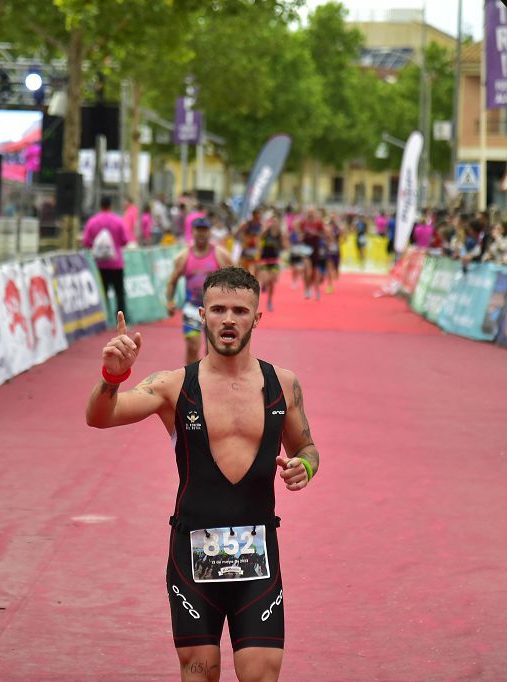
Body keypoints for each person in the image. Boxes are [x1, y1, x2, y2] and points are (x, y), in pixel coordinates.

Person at [85, 267, 320, 682]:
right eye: (218, 309)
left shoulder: (283, 384)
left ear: (257, 318)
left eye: (240, 310)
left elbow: (306, 448)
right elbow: (100, 418)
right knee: (200, 674)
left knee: (262, 674)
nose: (228, 319)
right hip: (192, 556)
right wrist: (112, 378)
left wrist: (305, 467)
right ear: (202, 315)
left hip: (257, 557)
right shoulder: (173, 386)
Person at [165, 217, 233, 364]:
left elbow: (236, 280)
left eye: (205, 230)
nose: (201, 234)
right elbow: (172, 281)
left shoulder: (221, 255)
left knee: (213, 349)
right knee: (192, 346)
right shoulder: (184, 256)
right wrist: (169, 301)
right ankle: (191, 380)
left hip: (216, 309)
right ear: (193, 232)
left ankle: (210, 381)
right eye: (199, 230)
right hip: (192, 308)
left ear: (210, 233)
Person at [83, 196, 130, 320]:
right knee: (119, 292)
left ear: (100, 206)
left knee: (102, 293)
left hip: (99, 264)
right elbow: (125, 240)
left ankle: (103, 318)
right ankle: (121, 319)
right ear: (111, 206)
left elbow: (86, 242)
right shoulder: (118, 221)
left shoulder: (92, 221)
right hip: (116, 264)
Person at [257, 215, 287, 312]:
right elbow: (259, 240)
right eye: (273, 222)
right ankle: (264, 284)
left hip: (274, 260)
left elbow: (285, 246)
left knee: (272, 282)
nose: (274, 224)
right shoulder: (266, 232)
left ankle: (269, 301)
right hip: (264, 260)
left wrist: (285, 241)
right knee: (265, 278)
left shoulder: (280, 235)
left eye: (276, 222)